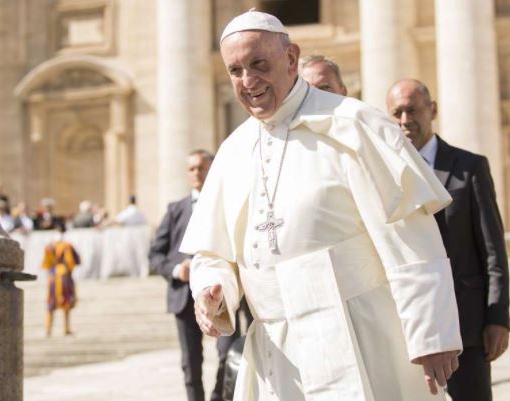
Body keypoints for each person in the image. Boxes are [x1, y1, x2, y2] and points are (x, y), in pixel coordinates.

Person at [180, 10, 462, 401]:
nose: (248, 81)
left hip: (362, 332)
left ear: (291, 58)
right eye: (236, 70)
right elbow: (213, 252)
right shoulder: (232, 150)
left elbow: (409, 233)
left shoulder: (356, 124)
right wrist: (213, 289)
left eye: (259, 64)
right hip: (278, 352)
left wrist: (432, 333)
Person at [387, 78, 509, 401]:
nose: (404, 120)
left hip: (466, 331)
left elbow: (493, 251)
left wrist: (498, 319)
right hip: (409, 333)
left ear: (433, 110)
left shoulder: (469, 168)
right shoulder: (385, 176)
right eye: (396, 113)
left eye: (412, 110)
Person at [150, 149, 250, 401]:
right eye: (192, 169)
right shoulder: (175, 210)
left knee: (228, 353)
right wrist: (176, 269)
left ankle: (218, 397)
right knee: (190, 361)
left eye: (201, 167)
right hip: (184, 298)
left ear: (211, 168)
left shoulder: (229, 204)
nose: (196, 173)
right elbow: (156, 255)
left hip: (223, 296)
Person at [42, 222, 80, 337]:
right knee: (66, 301)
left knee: (51, 303)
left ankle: (48, 329)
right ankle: (66, 328)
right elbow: (73, 261)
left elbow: (46, 264)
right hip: (64, 275)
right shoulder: (67, 245)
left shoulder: (49, 246)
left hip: (53, 276)